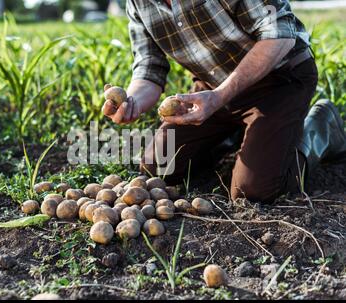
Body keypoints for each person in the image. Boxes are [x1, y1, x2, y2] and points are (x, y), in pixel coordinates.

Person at [102, 0, 346, 203]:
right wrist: (131, 102)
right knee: (159, 166)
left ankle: (321, 126)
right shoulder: (137, 3)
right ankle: (238, 136)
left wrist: (219, 96)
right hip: (213, 88)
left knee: (252, 192)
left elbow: (280, 33)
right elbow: (149, 68)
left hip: (280, 79)